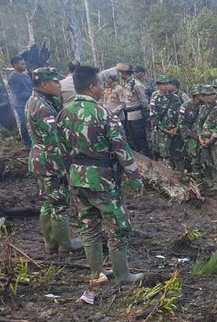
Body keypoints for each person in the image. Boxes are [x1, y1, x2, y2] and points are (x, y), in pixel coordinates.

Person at [57, 66, 144, 286]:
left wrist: (71, 174)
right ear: (92, 86)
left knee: (88, 226)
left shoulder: (63, 113)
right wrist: (135, 177)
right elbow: (121, 149)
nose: (101, 89)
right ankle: (123, 275)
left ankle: (96, 274)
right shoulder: (104, 114)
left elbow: (61, 150)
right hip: (103, 179)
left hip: (76, 178)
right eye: (99, 84)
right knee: (118, 226)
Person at [25, 67, 83, 255]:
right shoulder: (43, 107)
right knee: (60, 203)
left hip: (40, 159)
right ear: (44, 84)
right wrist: (68, 164)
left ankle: (51, 244)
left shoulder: (35, 100)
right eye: (55, 82)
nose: (59, 85)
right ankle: (66, 245)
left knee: (49, 202)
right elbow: (53, 140)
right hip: (50, 161)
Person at [118, 63, 150, 156]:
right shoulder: (128, 84)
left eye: (121, 73)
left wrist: (146, 115)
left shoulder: (136, 85)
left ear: (124, 73)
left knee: (141, 141)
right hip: (130, 116)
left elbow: (144, 102)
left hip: (137, 116)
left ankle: (148, 159)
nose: (120, 75)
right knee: (133, 141)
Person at [178, 85, 204, 182]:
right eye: (202, 95)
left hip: (202, 136)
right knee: (194, 158)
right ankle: (197, 180)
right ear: (196, 95)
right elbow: (181, 124)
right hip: (190, 137)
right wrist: (193, 136)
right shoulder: (185, 107)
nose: (204, 97)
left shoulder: (204, 106)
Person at [8, 55, 34, 147]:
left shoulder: (26, 75)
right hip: (21, 104)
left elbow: (31, 86)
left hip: (31, 102)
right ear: (15, 65)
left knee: (33, 122)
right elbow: (18, 93)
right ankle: (28, 144)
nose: (25, 65)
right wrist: (32, 93)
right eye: (22, 64)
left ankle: (34, 141)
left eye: (24, 64)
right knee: (24, 123)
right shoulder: (13, 78)